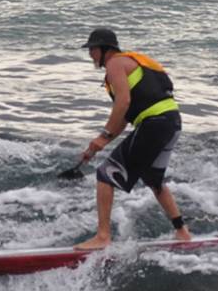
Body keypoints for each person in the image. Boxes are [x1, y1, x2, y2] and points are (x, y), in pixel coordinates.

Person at [72, 26, 192, 251]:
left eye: (93, 49)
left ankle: (103, 236)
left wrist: (103, 136)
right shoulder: (132, 63)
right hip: (171, 122)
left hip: (154, 123)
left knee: (105, 174)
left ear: (105, 49)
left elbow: (123, 102)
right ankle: (182, 231)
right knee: (153, 178)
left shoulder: (115, 63)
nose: (90, 55)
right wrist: (99, 144)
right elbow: (126, 116)